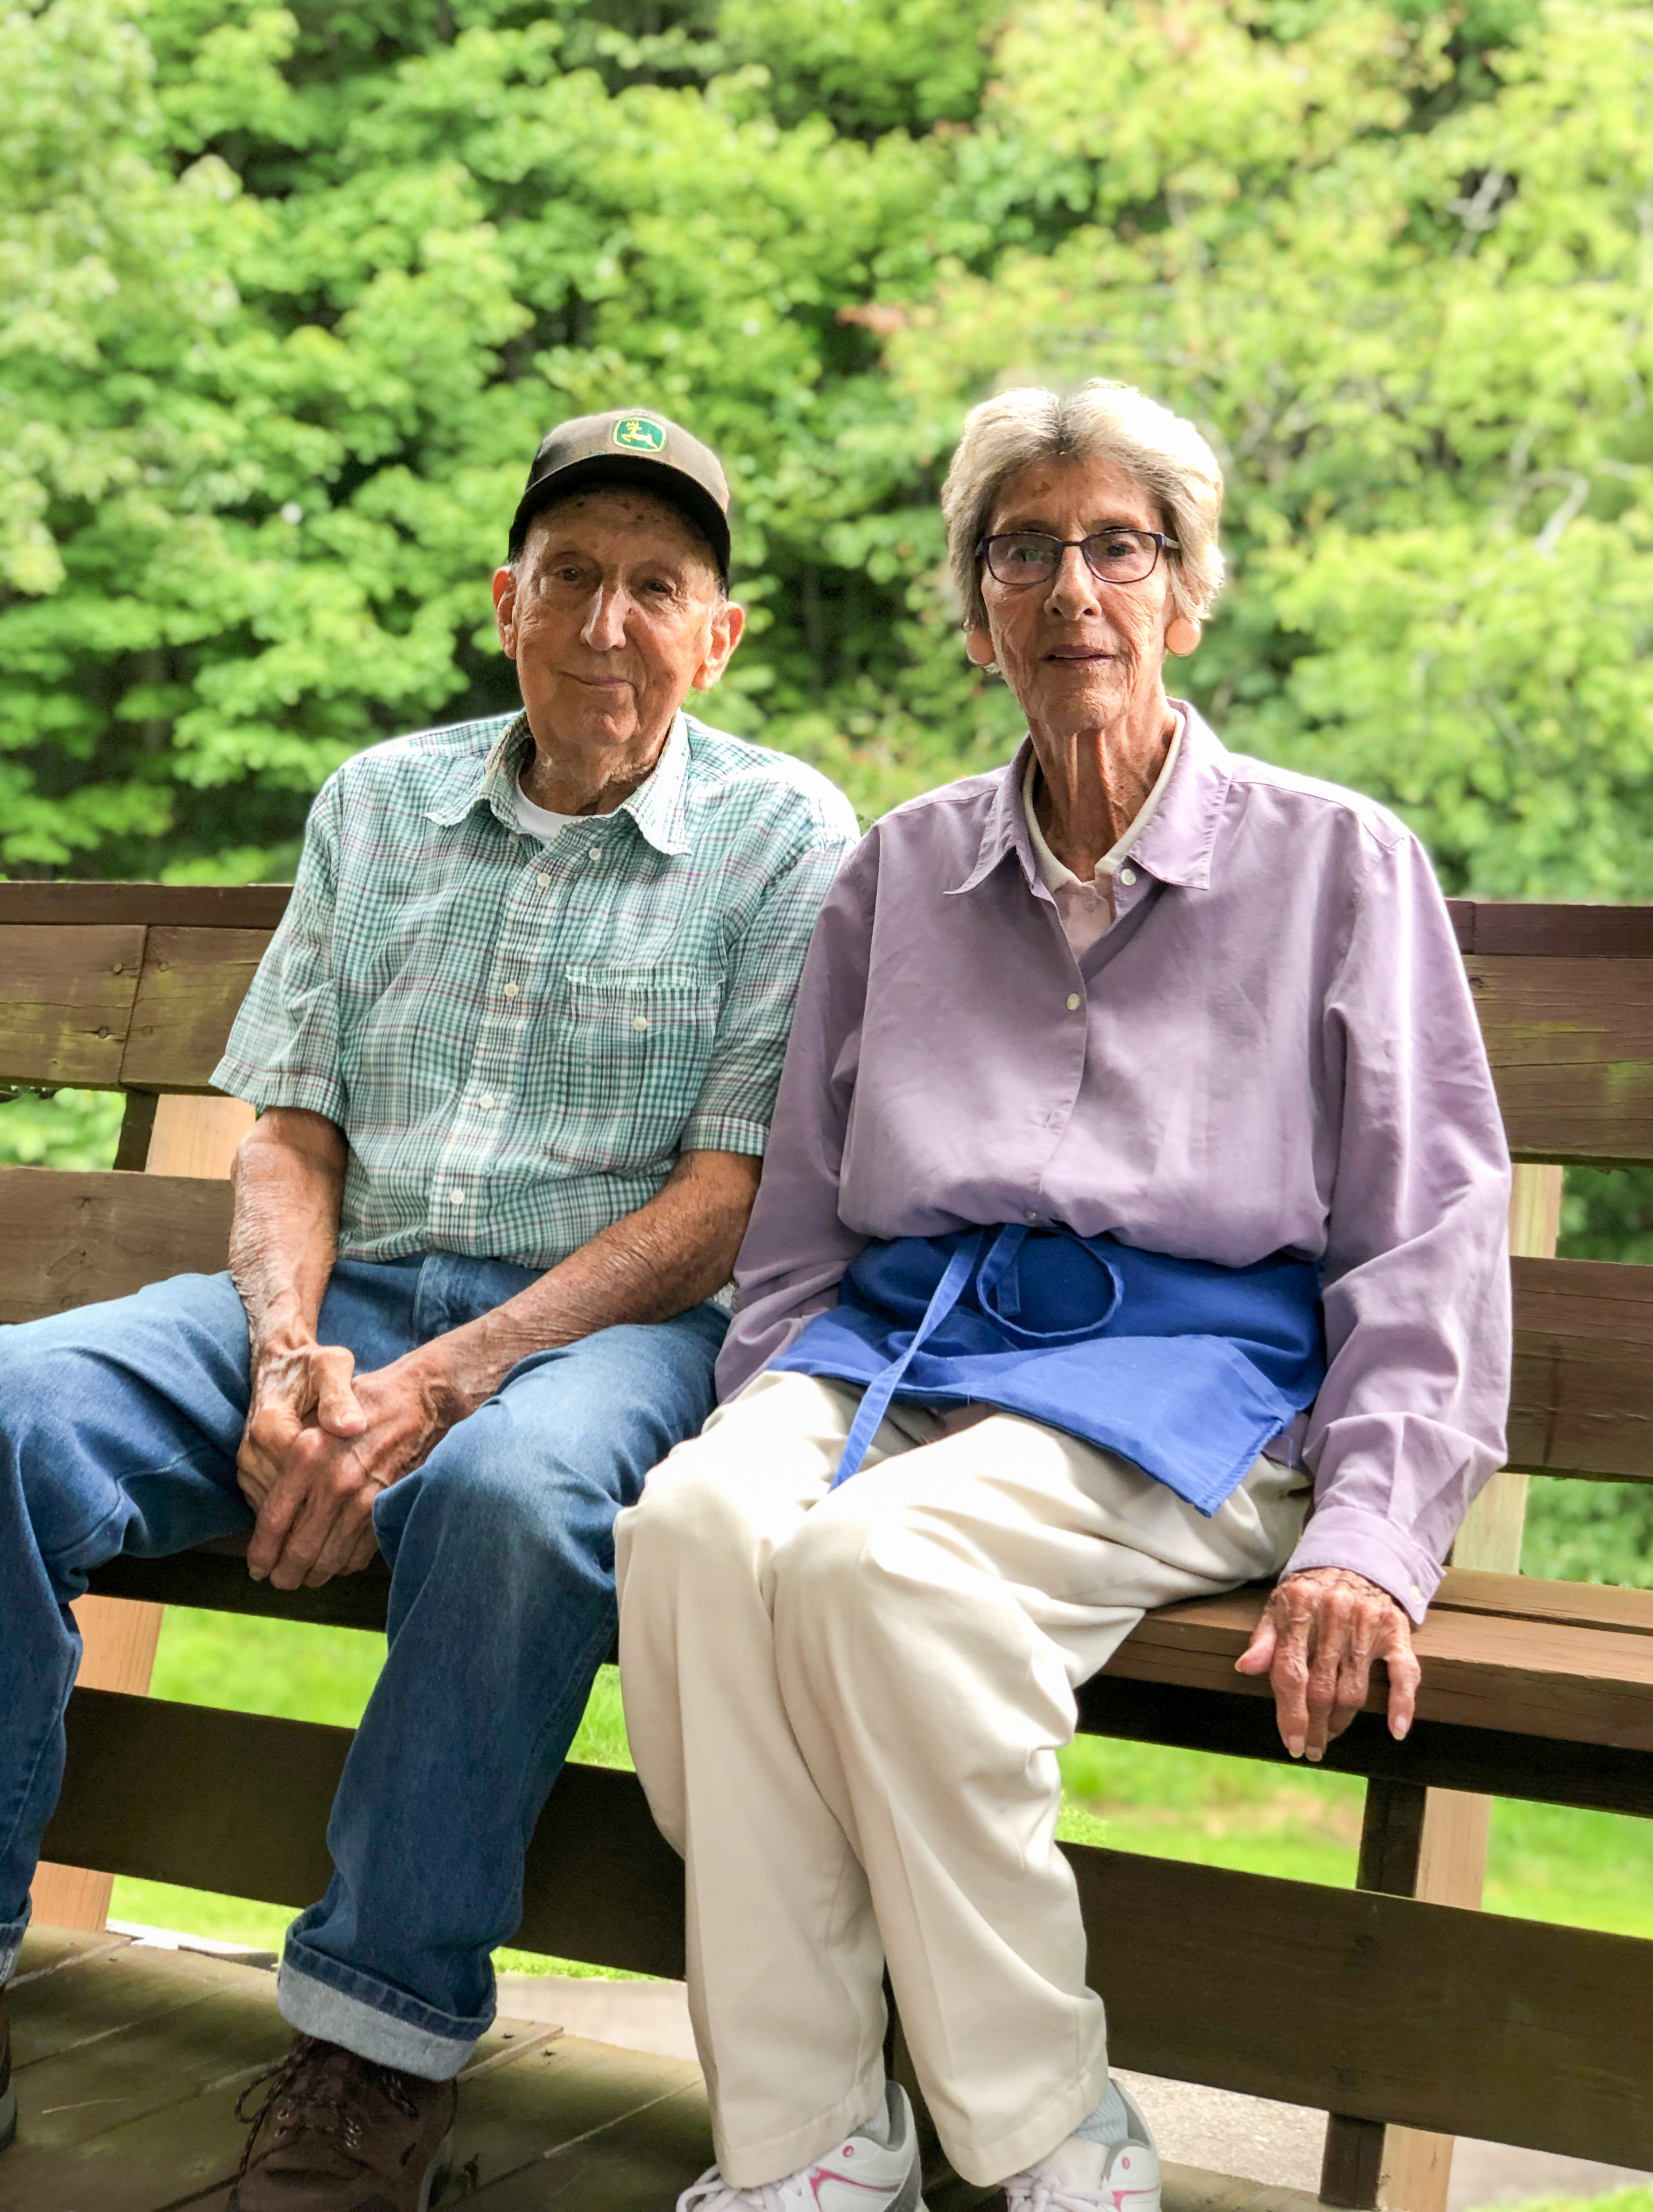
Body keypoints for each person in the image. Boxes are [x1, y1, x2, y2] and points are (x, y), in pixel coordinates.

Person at [614, 379, 1512, 2212]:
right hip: (910, 1344)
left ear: (1190, 596)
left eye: (1124, 547)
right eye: (1025, 551)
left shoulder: (1342, 864)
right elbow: (798, 1224)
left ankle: (1045, 2132)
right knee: (702, 1531)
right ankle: (805, 2149)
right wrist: (768, 1417)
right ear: (975, 611)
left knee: (883, 1570)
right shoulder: (899, 874)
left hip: (1193, 1377)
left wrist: (1373, 1534)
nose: (1074, 589)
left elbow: (1430, 1233)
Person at [0, 409, 859, 2209]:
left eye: (656, 585)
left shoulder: (789, 839)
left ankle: (370, 2050)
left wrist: (445, 1384)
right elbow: (289, 1129)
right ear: (505, 602)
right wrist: (297, 1359)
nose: (607, 621)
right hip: (350, 1299)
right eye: (571, 577)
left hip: (615, 1337)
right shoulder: (378, 803)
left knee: (505, 1494)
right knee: (10, 1413)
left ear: (721, 633)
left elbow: (726, 1203)